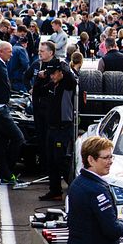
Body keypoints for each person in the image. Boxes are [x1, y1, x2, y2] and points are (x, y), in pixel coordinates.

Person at [0, 41, 25, 185]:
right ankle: (7, 171)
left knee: (2, 142)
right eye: (9, 51)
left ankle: (5, 175)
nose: (12, 54)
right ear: (1, 51)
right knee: (18, 138)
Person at [40, 62, 77, 201]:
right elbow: (38, 90)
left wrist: (60, 66)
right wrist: (41, 76)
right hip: (51, 128)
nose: (52, 76)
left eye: (54, 73)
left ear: (61, 72)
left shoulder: (67, 83)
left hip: (63, 128)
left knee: (60, 160)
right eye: (50, 74)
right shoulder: (51, 85)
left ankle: (76, 189)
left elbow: (69, 75)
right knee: (51, 161)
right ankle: (55, 191)